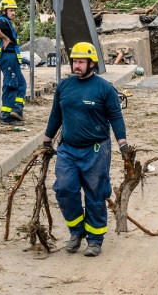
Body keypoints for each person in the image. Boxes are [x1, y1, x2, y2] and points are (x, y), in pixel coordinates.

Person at [42, 42, 128, 257]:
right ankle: (76, 231)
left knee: (95, 194)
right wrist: (47, 140)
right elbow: (56, 114)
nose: (76, 66)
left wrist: (123, 144)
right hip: (68, 149)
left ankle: (95, 240)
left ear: (91, 64)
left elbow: (116, 117)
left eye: (81, 62)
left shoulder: (104, 88)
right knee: (64, 189)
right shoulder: (64, 86)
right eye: (74, 61)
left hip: (96, 150)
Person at [0, 0, 27, 125]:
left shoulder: (7, 22)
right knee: (11, 85)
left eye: (14, 10)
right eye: (11, 10)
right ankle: (6, 116)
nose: (13, 13)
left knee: (21, 84)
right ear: (3, 11)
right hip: (8, 57)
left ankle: (16, 110)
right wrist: (5, 38)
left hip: (12, 57)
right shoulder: (2, 21)